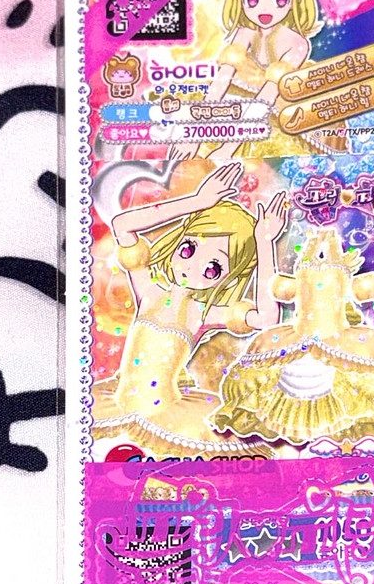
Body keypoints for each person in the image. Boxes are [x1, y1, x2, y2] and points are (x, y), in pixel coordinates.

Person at [91, 161, 288, 460]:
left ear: (229, 277)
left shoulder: (201, 312)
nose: (192, 266)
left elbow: (266, 318)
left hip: (168, 418)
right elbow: (122, 225)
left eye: (213, 268)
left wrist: (264, 244)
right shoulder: (149, 288)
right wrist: (196, 202)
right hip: (116, 405)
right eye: (188, 249)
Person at [211, 229, 374, 453]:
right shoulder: (304, 269)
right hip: (299, 334)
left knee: (362, 385)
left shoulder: (339, 271)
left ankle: (346, 444)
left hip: (337, 333)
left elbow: (364, 289)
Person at [169, 0, 344, 161]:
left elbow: (265, 100)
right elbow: (220, 82)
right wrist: (193, 136)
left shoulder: (297, 44)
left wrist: (227, 148)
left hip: (291, 106)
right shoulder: (246, 32)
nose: (265, 8)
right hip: (252, 97)